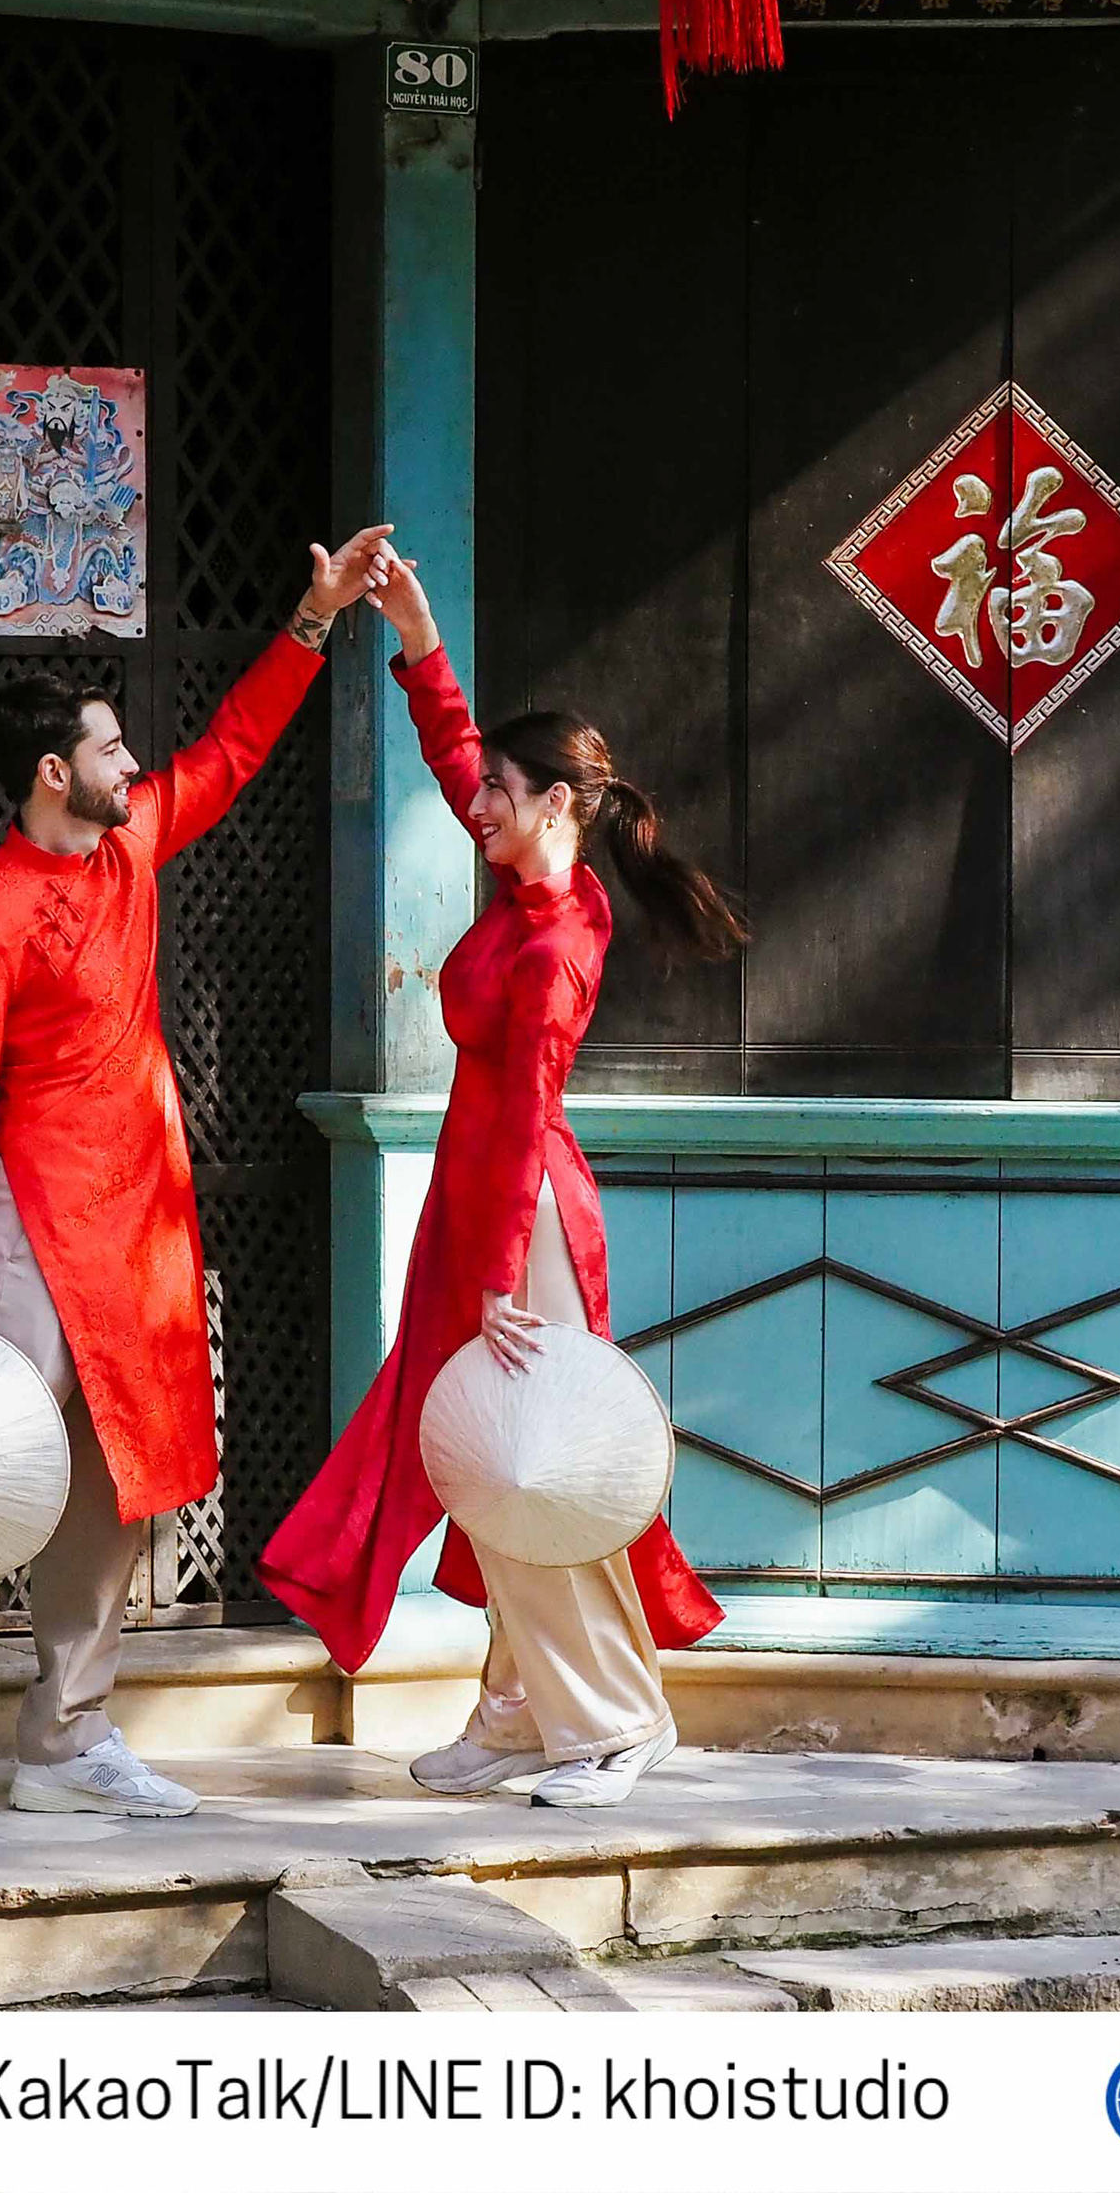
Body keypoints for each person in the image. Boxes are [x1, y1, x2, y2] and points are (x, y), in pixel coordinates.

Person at [0, 524, 399, 1828]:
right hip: (28, 1217)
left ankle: (65, 1740)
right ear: (57, 773)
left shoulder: (131, 851)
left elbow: (230, 753)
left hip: (143, 1223)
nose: (136, 766)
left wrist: (315, 616)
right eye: (113, 751)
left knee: (123, 1474)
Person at [257, 551, 746, 1807]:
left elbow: (527, 1118)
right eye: (484, 794)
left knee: (530, 1464)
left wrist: (487, 1284)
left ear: (557, 808)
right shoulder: (531, 882)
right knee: (487, 1459)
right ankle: (518, 1710)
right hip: (478, 1211)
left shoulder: (557, 943)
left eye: (500, 796)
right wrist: (414, 629)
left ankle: (616, 1721)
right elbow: (456, 745)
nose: (477, 805)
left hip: (516, 1221)